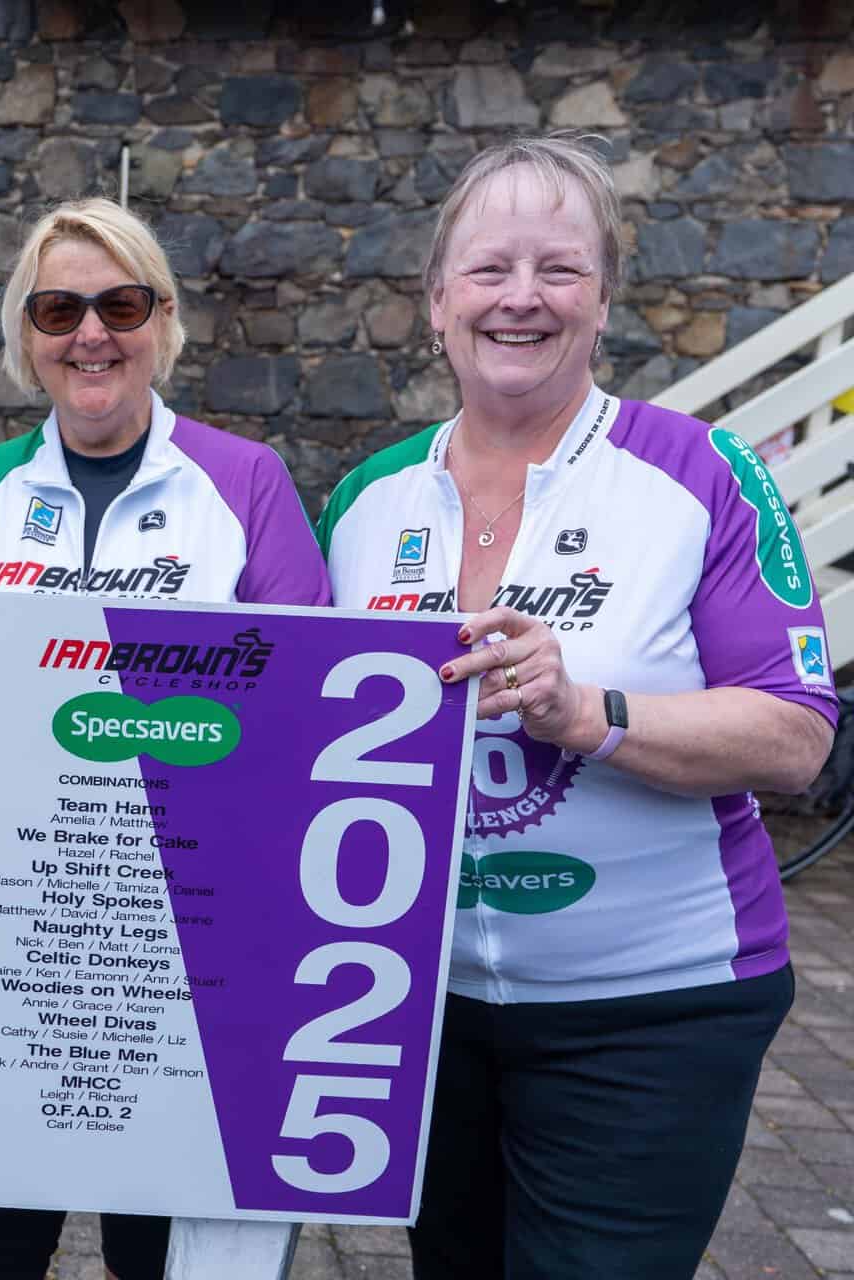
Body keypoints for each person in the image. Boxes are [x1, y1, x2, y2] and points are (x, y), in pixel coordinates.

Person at [318, 134, 836, 1278]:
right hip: (415, 1003)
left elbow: (797, 736)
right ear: (437, 300)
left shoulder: (703, 472)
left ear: (603, 302)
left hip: (653, 1010)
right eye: (489, 267)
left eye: (560, 268)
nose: (522, 296)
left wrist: (590, 711)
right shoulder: (362, 500)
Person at [0, 198, 331, 1280]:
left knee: (155, 1254)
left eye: (120, 305)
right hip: (19, 924)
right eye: (60, 309)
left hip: (188, 934)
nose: (91, 333)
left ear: (164, 320)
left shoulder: (245, 480)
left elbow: (305, 706)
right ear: (27, 335)